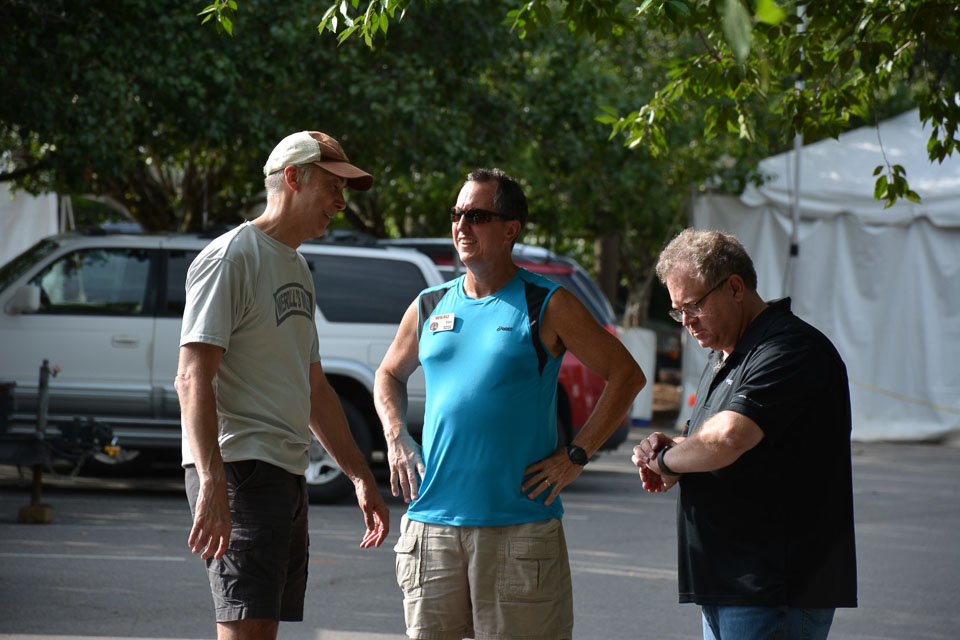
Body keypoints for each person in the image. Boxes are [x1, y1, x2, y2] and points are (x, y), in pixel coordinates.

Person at [375, 168, 647, 640]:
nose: (462, 225)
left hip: (518, 528)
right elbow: (388, 374)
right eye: (456, 214)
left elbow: (626, 375)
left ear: (510, 229)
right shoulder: (430, 304)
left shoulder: (547, 302)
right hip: (431, 527)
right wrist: (396, 435)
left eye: (477, 215)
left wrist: (576, 456)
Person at [176, 130, 390, 640]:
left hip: (286, 470)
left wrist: (360, 476)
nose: (341, 203)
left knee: (263, 625)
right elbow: (192, 376)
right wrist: (212, 481)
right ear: (293, 177)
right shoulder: (231, 257)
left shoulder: (295, 265)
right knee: (246, 626)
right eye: (333, 187)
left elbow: (314, 386)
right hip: (240, 467)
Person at [633, 229, 857, 640]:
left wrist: (664, 461)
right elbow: (717, 445)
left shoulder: (789, 348)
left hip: (773, 588)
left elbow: (727, 439)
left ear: (735, 288)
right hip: (729, 583)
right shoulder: (727, 353)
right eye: (678, 311)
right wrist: (673, 451)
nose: (686, 322)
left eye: (693, 306)